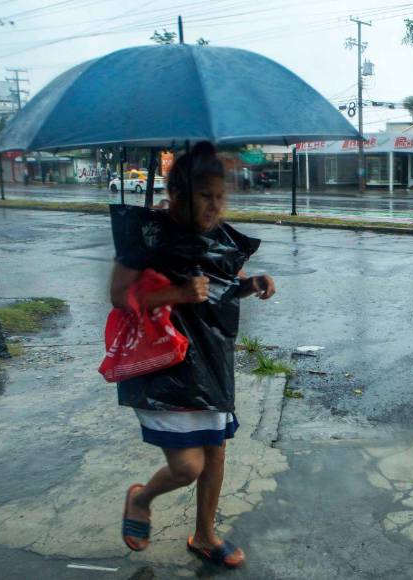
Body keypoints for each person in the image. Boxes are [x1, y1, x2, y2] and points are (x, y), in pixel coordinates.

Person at [110, 142, 276, 568]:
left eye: (220, 196)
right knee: (187, 465)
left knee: (216, 453)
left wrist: (252, 282)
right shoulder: (147, 232)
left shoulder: (220, 236)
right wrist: (176, 293)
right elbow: (118, 296)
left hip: (212, 359)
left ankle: (204, 535)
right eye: (205, 195)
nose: (215, 205)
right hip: (165, 366)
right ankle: (141, 497)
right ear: (179, 194)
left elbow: (224, 284)